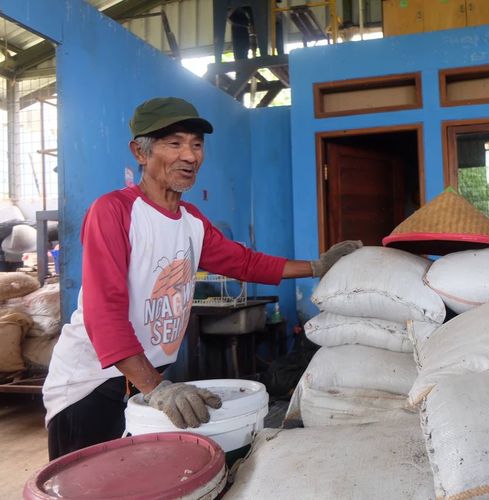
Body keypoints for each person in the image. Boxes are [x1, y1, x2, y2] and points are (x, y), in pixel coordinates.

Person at [42, 97, 361, 460]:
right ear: (140, 152)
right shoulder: (114, 211)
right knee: (89, 484)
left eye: (196, 145)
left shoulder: (191, 220)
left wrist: (318, 266)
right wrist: (158, 389)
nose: (190, 156)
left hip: (145, 379)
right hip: (91, 383)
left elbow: (244, 262)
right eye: (175, 143)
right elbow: (105, 315)